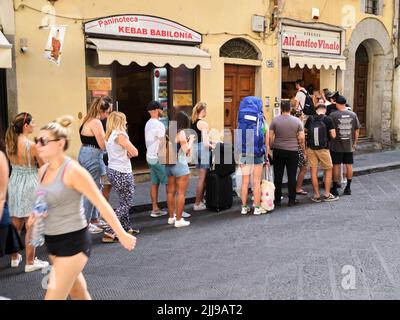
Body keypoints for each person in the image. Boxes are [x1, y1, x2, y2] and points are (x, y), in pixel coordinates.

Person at [34, 116, 136, 300]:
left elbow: (100, 202)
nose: (37, 145)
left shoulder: (73, 171)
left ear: (60, 144)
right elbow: (42, 198)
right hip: (52, 242)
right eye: (36, 140)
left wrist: (122, 234)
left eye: (43, 141)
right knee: (79, 294)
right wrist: (36, 214)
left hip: (73, 243)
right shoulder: (42, 171)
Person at [5, 112, 47, 272]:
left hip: (14, 181)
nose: (35, 125)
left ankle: (15, 257)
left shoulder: (10, 143)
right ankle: (30, 262)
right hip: (30, 182)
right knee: (32, 223)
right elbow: (44, 166)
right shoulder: (32, 145)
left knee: (16, 221)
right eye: (33, 122)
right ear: (25, 126)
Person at [102, 112, 139, 242]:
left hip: (112, 170)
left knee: (123, 201)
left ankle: (125, 227)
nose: (126, 123)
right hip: (122, 172)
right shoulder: (120, 135)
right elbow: (135, 152)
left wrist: (126, 153)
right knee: (127, 203)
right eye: (124, 120)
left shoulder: (109, 135)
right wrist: (129, 153)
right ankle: (110, 230)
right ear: (119, 122)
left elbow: (117, 151)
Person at [78, 96, 112, 234]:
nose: (107, 115)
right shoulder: (96, 123)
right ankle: (85, 224)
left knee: (97, 186)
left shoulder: (85, 119)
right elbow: (103, 145)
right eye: (107, 112)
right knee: (92, 190)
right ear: (102, 111)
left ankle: (94, 219)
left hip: (83, 153)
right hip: (94, 155)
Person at [269, 101, 305, 207]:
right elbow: (302, 138)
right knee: (291, 175)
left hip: (278, 150)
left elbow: (270, 137)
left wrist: (272, 146)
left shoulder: (275, 120)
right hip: (292, 151)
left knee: (278, 175)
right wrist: (302, 150)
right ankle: (291, 200)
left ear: (281, 108)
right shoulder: (297, 121)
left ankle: (277, 200)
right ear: (290, 108)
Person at [238, 97, 269, 216]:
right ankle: (257, 207)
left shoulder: (241, 119)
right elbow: (266, 142)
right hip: (258, 152)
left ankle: (244, 207)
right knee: (256, 182)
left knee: (245, 182)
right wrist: (266, 156)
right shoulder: (263, 122)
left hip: (245, 152)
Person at [305, 102, 339, 202]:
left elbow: (305, 131)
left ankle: (316, 195)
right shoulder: (328, 119)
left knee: (313, 171)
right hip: (324, 149)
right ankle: (327, 194)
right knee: (328, 169)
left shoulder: (310, 118)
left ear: (316, 109)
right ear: (325, 109)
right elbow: (333, 135)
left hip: (311, 148)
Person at [166, 111, 195, 228]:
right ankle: (179, 220)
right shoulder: (181, 133)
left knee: (171, 192)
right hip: (180, 165)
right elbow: (186, 150)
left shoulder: (168, 130)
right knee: (181, 193)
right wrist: (191, 140)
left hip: (168, 165)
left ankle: (171, 217)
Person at [0, 124, 24, 262]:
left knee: (15, 218)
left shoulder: (9, 146)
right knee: (18, 218)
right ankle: (19, 257)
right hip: (21, 181)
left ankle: (16, 255)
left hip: (14, 180)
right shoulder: (26, 145)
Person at [329, 96, 360, 197]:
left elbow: (330, 130)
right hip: (349, 146)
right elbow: (357, 130)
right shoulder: (353, 114)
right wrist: (355, 143)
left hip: (336, 145)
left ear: (337, 103)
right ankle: (348, 187)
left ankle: (335, 188)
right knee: (349, 165)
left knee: (336, 166)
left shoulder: (333, 115)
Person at [144, 101, 169, 218]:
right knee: (170, 183)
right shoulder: (159, 125)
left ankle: (154, 209)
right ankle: (174, 211)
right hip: (158, 157)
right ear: (156, 110)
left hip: (150, 156)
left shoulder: (148, 123)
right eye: (161, 109)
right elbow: (163, 143)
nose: (162, 111)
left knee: (154, 183)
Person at [191, 102, 215, 211]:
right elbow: (205, 143)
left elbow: (200, 139)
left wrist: (212, 141)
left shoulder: (193, 122)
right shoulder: (203, 124)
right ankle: (197, 203)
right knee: (202, 178)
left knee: (202, 177)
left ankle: (200, 201)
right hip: (203, 151)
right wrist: (213, 147)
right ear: (203, 111)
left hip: (196, 150)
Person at [290, 106, 308, 197]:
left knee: (292, 171)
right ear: (300, 115)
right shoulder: (299, 124)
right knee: (303, 168)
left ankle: (293, 188)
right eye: (303, 115)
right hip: (299, 150)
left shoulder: (290, 123)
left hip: (291, 148)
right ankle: (298, 188)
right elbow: (301, 141)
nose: (304, 116)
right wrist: (305, 153)